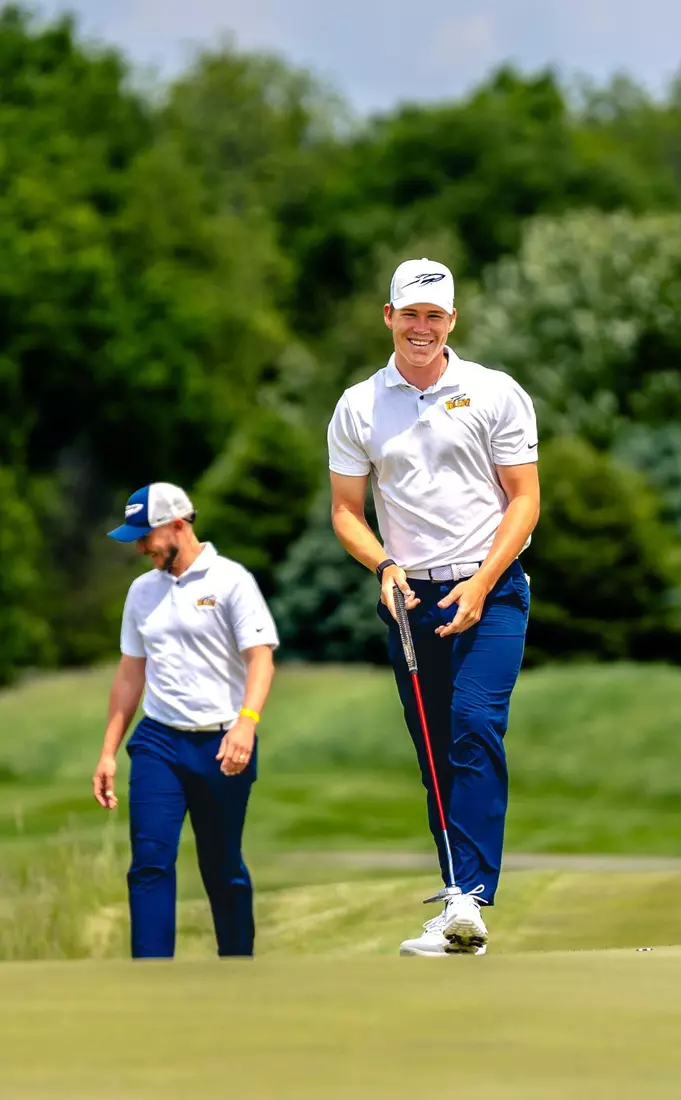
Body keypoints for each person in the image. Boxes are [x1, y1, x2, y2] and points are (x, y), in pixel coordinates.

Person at [327, 257, 540, 956]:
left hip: (494, 589)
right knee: (435, 752)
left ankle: (473, 896)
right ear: (387, 316)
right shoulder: (359, 406)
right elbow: (346, 512)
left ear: (453, 320)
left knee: (474, 724)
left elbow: (524, 499)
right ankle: (459, 911)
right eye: (409, 314)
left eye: (435, 316)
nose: (422, 328)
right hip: (410, 594)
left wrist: (480, 583)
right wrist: (382, 564)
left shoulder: (493, 393)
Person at [92, 482, 279, 958]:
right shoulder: (141, 592)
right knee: (150, 862)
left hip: (221, 743)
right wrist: (108, 752)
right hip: (158, 740)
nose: (139, 547)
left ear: (178, 525)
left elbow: (260, 659)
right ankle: (151, 980)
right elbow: (131, 673)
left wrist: (246, 723)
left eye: (145, 535)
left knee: (221, 866)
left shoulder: (230, 580)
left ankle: (237, 967)